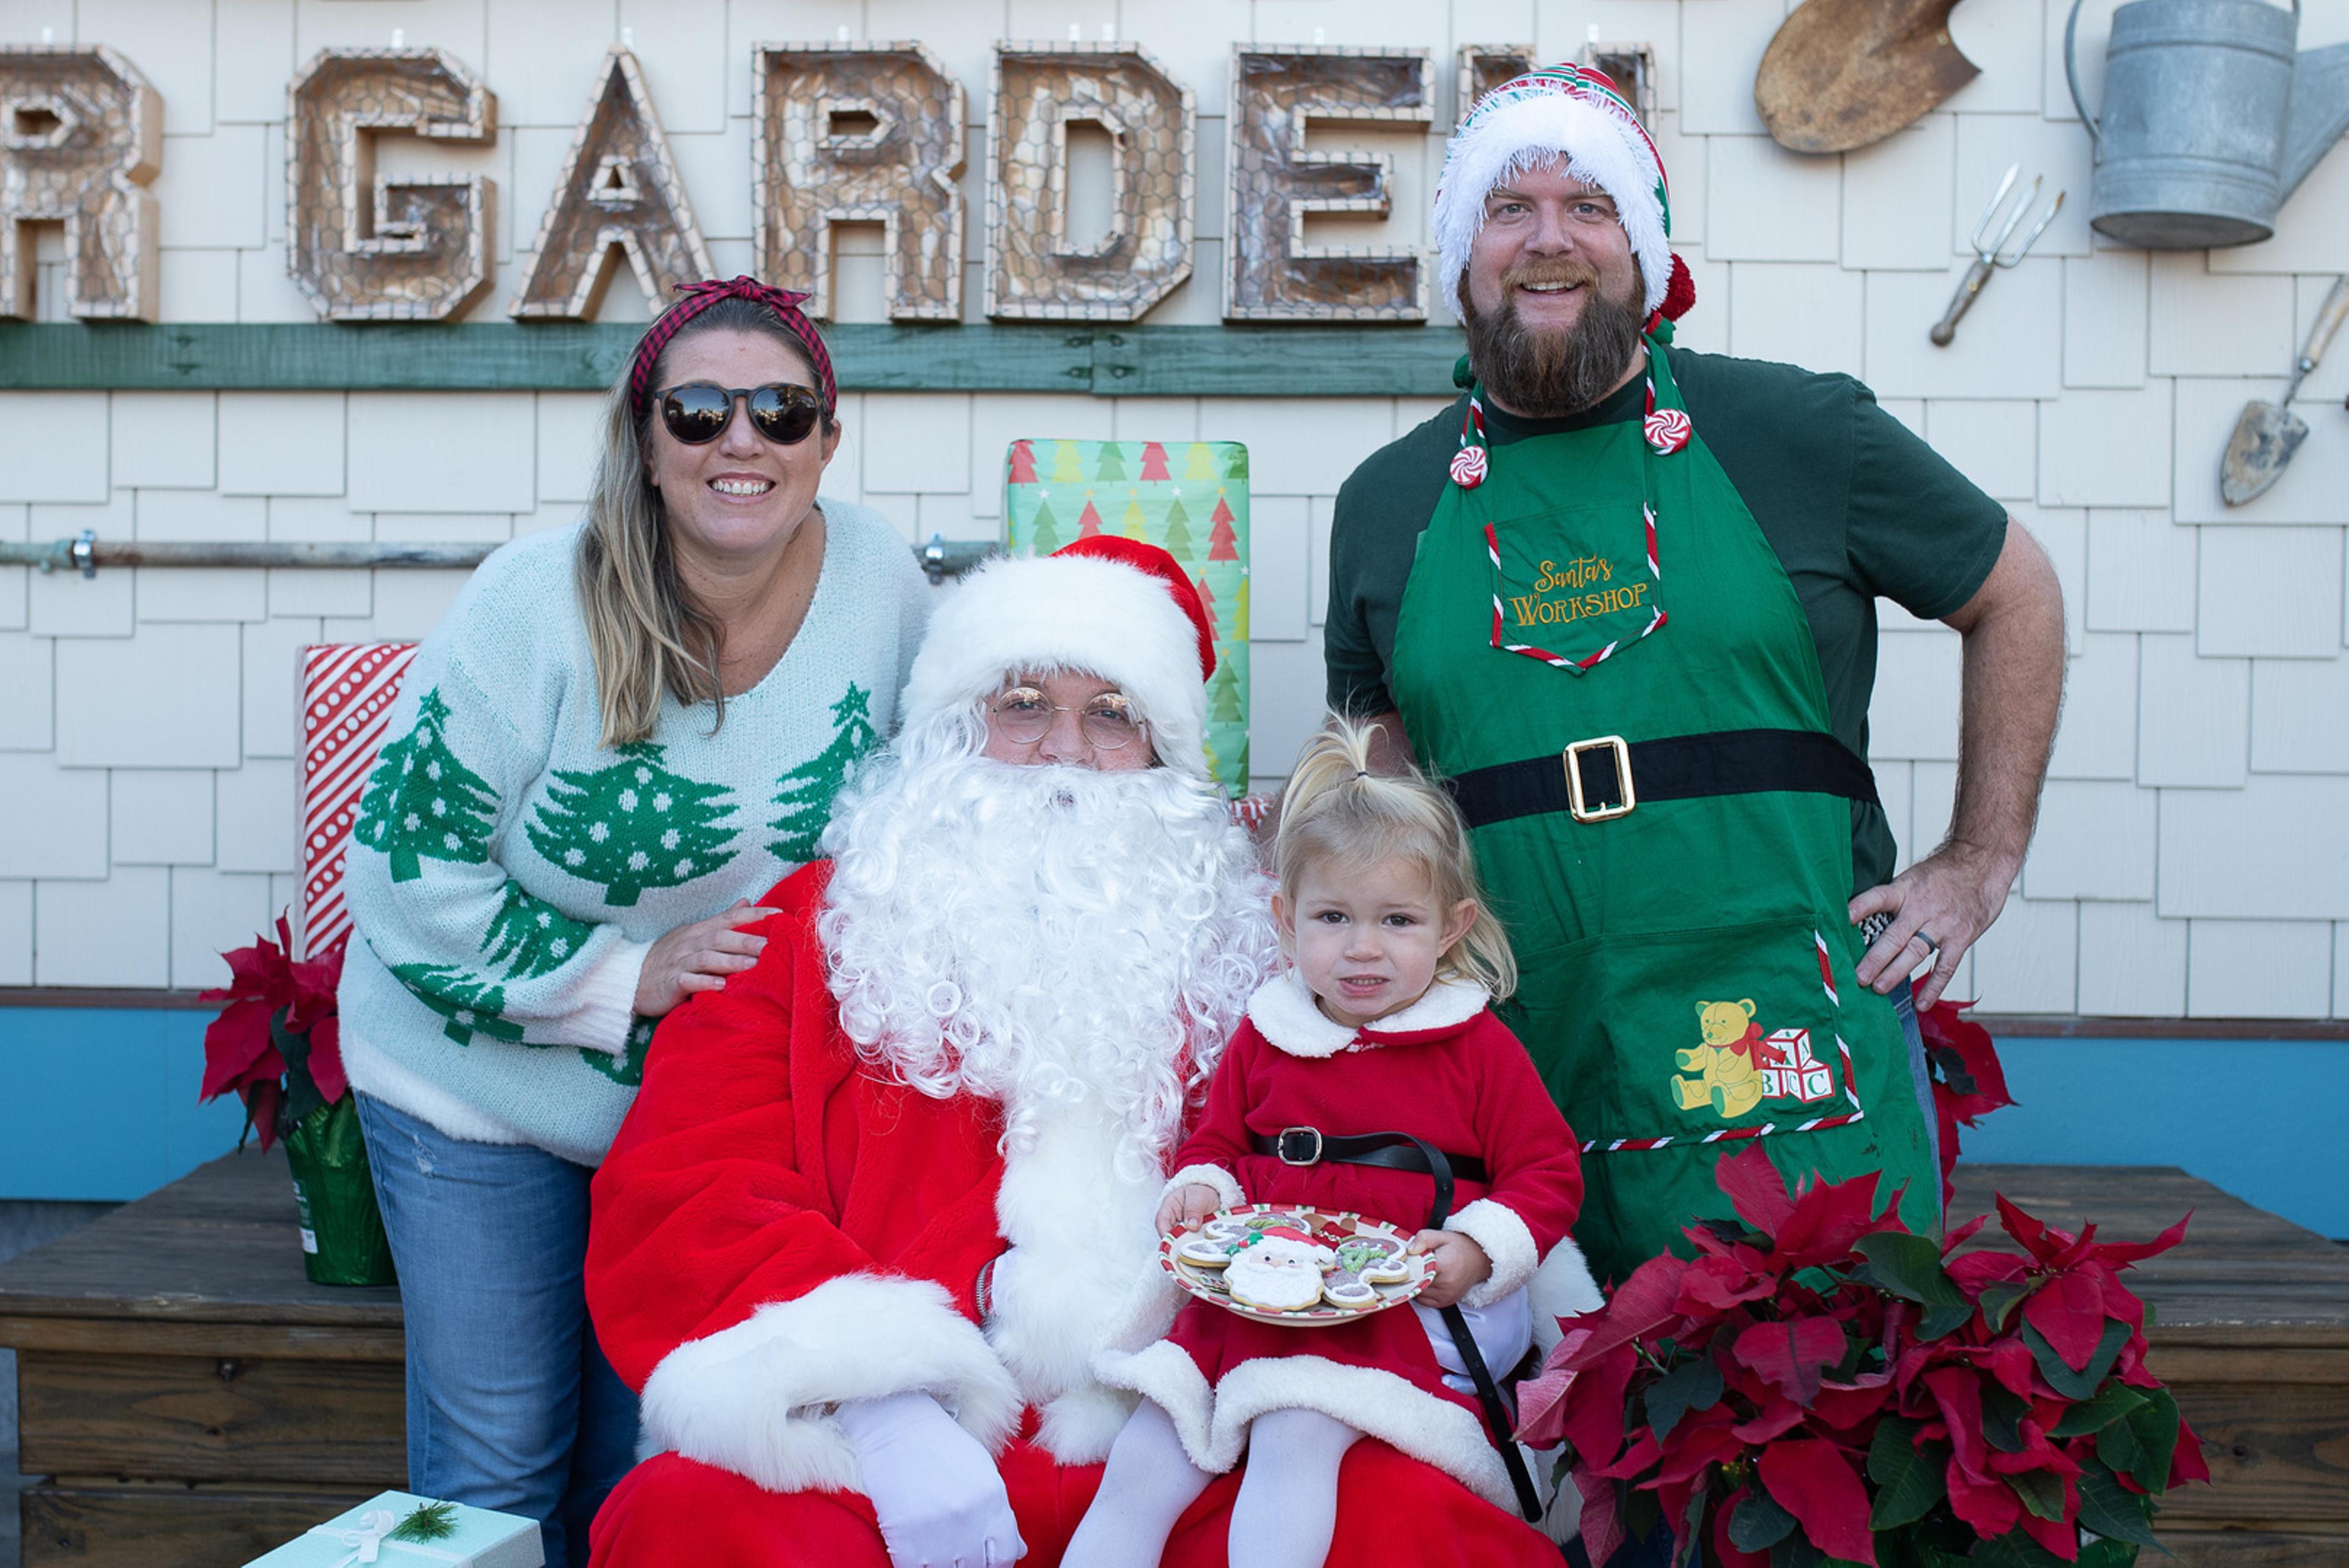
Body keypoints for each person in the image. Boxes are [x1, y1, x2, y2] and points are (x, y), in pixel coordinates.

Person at [583, 537, 1569, 1568]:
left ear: (1161, 754)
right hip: (884, 1445)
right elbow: (689, 1189)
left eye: (1111, 714)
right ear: (951, 731)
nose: (1064, 747)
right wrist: (883, 1407)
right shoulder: (804, 936)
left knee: (1414, 1535)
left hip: (1196, 1427)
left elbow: (1408, 1155)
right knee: (691, 1526)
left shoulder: (1268, 963)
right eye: (1021, 705)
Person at [1324, 67, 2067, 1291]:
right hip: (1513, 1056)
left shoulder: (1800, 433)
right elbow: (1382, 774)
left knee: (1816, 1446)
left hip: (1793, 1037)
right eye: (1509, 208)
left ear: (1644, 246)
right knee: (1529, 1449)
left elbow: (2016, 590)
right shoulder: (1386, 501)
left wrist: (1976, 863)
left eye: (1592, 204)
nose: (1549, 238)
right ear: (1462, 257)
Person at [338, 276, 930, 1567]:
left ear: (829, 437)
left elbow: (920, 804)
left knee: (651, 1460)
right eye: (700, 410)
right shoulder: (530, 602)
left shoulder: (880, 580)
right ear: (645, 440)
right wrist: (622, 973)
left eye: (780, 411)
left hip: (694, 1121)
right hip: (471, 1084)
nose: (741, 442)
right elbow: (398, 869)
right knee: (495, 1464)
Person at [1068, 721, 1598, 1568]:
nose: (1362, 947)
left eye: (1396, 920)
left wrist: (1476, 1247)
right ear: (1285, 919)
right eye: (1332, 917)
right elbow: (1217, 1138)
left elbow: (1546, 1171)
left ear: (1452, 925)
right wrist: (1204, 1186)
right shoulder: (1267, 1034)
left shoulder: (1474, 1045)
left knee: (1295, 1428)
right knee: (1145, 1452)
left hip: (1400, 1300)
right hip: (1264, 1289)